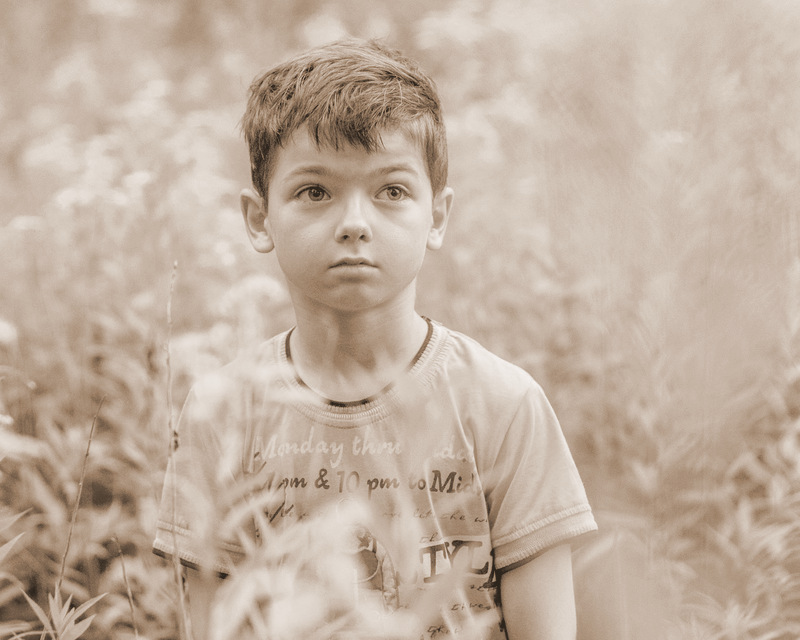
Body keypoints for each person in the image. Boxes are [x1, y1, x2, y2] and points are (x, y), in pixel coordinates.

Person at [153, 38, 597, 640]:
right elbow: (210, 623)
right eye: (315, 192)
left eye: (392, 191)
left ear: (436, 216)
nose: (355, 224)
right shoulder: (224, 411)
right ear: (259, 219)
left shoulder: (504, 404)